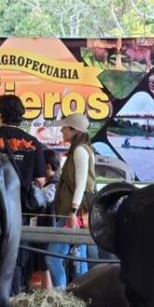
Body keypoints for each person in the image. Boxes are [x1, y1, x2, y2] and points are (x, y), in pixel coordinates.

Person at [0, 94, 46, 295]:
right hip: (19, 208)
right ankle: (12, 295)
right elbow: (40, 180)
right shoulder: (33, 143)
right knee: (15, 254)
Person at [46, 112, 96, 289]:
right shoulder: (81, 149)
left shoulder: (80, 150)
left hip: (72, 213)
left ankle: (60, 295)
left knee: (52, 258)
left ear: (74, 130)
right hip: (77, 213)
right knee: (78, 260)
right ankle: (81, 297)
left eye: (65, 127)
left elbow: (81, 184)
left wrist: (73, 212)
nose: (62, 130)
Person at [30, 149, 60, 290]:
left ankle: (48, 292)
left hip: (47, 230)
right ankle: (46, 291)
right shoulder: (53, 184)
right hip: (45, 229)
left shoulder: (52, 186)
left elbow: (40, 200)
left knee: (45, 262)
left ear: (47, 167)